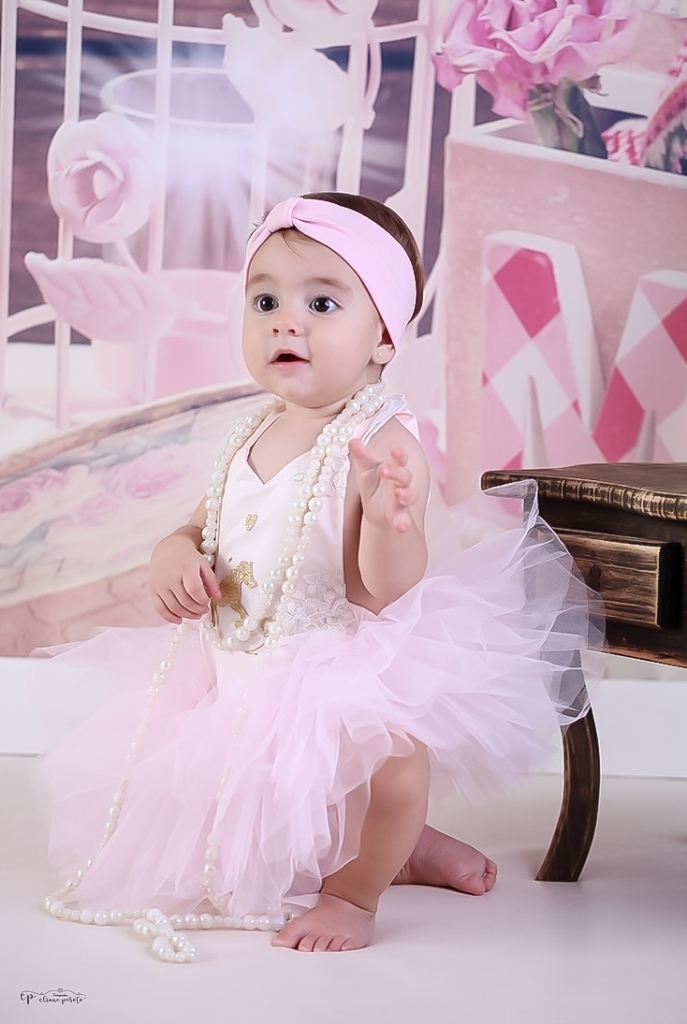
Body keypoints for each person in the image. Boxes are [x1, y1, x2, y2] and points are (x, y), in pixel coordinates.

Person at [37, 193, 600, 961]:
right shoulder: (251, 429)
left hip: (335, 658)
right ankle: (407, 849)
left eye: (321, 303)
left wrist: (389, 519)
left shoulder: (380, 443)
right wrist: (174, 552)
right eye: (264, 301)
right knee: (226, 792)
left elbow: (386, 591)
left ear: (383, 336)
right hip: (236, 661)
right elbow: (201, 525)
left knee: (392, 764)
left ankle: (356, 889)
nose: (284, 323)